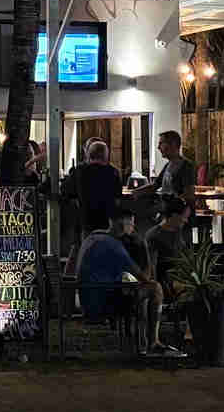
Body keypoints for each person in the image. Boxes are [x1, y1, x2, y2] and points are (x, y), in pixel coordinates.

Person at [68, 205, 176, 354]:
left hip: (87, 299)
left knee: (136, 290)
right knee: (155, 288)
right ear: (122, 224)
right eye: (132, 223)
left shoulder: (93, 237)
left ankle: (141, 341)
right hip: (100, 304)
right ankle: (153, 342)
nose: (133, 227)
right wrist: (145, 246)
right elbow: (145, 278)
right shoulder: (114, 246)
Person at [74, 139, 123, 233]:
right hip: (107, 221)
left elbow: (67, 191)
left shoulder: (80, 171)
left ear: (89, 154)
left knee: (89, 245)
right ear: (106, 156)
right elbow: (118, 199)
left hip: (87, 220)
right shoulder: (113, 172)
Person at [145, 197, 190, 292]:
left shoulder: (179, 231)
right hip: (165, 286)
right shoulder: (154, 235)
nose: (186, 221)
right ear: (174, 215)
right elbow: (151, 265)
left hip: (181, 282)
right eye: (184, 217)